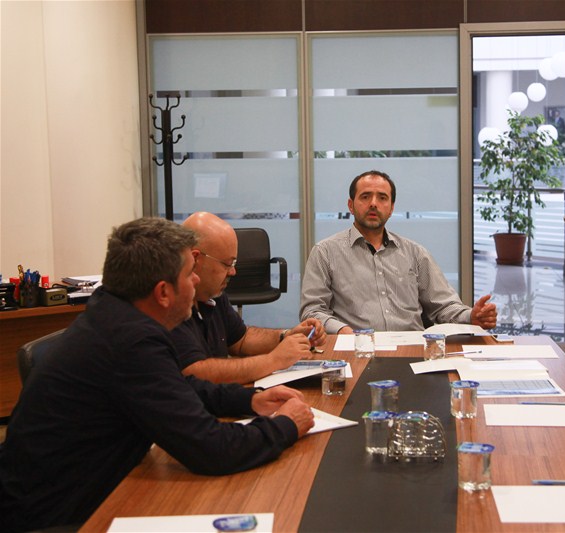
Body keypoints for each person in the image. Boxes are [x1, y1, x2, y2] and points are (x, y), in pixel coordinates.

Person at [0, 218, 315, 532]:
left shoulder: (114, 314)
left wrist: (250, 400)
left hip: (84, 493)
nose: (196, 280)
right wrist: (286, 425)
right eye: (189, 274)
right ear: (163, 292)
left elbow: (179, 388)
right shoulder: (130, 342)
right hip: (61, 517)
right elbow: (212, 449)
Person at [300, 170, 497, 333]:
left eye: (382, 198)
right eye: (365, 196)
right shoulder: (325, 252)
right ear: (351, 205)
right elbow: (312, 311)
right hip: (356, 349)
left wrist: (471, 316)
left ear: (391, 208)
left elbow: (443, 306)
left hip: (413, 350)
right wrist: (342, 330)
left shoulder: (415, 253)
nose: (373, 203)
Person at [171, 212, 326, 384]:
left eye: (234, 264)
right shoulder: (171, 304)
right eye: (227, 263)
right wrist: (274, 360)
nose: (233, 272)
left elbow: (241, 339)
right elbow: (195, 372)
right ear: (195, 259)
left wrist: (286, 335)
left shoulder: (212, 293)